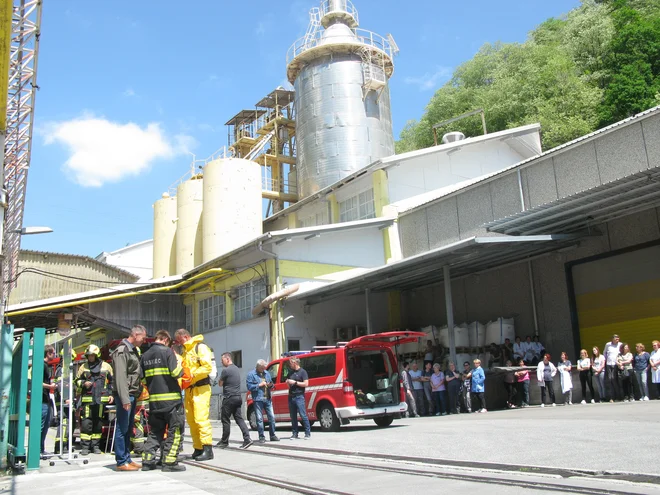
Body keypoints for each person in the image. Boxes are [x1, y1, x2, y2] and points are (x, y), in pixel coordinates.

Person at [140, 330, 186, 472]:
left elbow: (142, 380)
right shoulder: (167, 352)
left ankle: (147, 461)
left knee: (155, 431)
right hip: (172, 401)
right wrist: (183, 368)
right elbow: (176, 373)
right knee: (175, 430)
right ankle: (169, 463)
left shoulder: (145, 355)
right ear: (166, 339)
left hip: (155, 402)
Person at [175, 328, 214, 461]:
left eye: (180, 341)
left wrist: (192, 375)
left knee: (201, 418)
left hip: (201, 388)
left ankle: (207, 448)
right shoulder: (186, 351)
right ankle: (198, 448)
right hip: (189, 389)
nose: (179, 344)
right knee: (191, 420)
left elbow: (207, 367)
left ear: (185, 337)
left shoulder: (200, 347)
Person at [111, 324, 146, 471]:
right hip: (126, 396)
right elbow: (120, 377)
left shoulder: (132, 350)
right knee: (122, 428)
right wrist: (125, 398)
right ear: (136, 335)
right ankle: (121, 461)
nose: (143, 341)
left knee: (128, 428)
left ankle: (127, 458)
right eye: (143, 338)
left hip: (132, 394)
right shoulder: (122, 351)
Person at [76, 344, 113, 455]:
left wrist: (111, 394)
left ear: (97, 355)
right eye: (89, 356)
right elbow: (76, 381)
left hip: (101, 400)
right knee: (87, 423)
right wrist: (83, 383)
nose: (90, 357)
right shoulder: (83, 367)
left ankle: (96, 446)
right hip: (87, 400)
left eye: (92, 355)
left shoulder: (106, 366)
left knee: (98, 423)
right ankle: (85, 447)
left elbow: (112, 382)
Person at [217, 352, 253, 449]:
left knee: (225, 420)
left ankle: (224, 441)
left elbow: (220, 384)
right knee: (239, 419)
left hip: (229, 398)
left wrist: (219, 380)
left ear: (227, 359)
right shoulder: (236, 369)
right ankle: (247, 438)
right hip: (237, 397)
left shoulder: (226, 370)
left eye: (222, 360)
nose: (221, 362)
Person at [247, 359, 279, 444]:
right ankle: (261, 436)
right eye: (262, 368)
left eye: (264, 368)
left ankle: (272, 435)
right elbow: (249, 387)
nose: (264, 370)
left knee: (271, 417)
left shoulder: (266, 373)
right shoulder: (251, 374)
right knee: (260, 418)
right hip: (258, 399)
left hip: (267, 398)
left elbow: (272, 383)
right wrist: (259, 385)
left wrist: (271, 385)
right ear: (258, 367)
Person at [53, 348, 77, 454]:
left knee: (69, 424)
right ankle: (59, 447)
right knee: (63, 423)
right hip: (63, 402)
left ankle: (65, 446)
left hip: (69, 401)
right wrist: (66, 398)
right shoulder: (61, 370)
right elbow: (60, 386)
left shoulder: (67, 370)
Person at [286, 357, 311, 439]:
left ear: (295, 363)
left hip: (299, 396)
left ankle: (307, 433)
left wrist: (295, 382)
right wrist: (288, 383)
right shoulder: (290, 373)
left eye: (291, 363)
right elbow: (289, 386)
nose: (290, 365)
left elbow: (306, 384)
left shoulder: (303, 372)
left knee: (303, 414)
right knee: (293, 416)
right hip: (291, 396)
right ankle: (294, 433)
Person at [40, 345, 56, 457]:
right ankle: (38, 450)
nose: (54, 355)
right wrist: (51, 386)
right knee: (41, 426)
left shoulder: (46, 366)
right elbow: (38, 382)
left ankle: (41, 450)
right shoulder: (42, 365)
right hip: (42, 400)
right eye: (53, 353)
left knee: (45, 426)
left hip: (46, 399)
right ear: (48, 353)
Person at [603, 334, 622, 402]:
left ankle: (618, 396)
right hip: (609, 364)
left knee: (615, 380)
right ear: (612, 339)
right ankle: (612, 397)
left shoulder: (620, 344)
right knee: (610, 380)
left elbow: (622, 353)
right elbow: (604, 353)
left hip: (617, 364)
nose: (617, 340)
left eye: (618, 339)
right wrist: (605, 361)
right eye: (616, 339)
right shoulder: (608, 344)